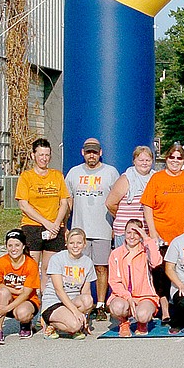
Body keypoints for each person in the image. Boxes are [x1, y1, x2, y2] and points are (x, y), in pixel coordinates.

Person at [141, 143, 184, 322]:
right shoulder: (157, 178)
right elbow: (147, 206)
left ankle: (182, 304)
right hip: (162, 235)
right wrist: (153, 233)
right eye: (172, 157)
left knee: (181, 272)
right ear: (166, 159)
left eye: (179, 158)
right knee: (161, 273)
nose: (175, 161)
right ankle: (165, 311)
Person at [65, 138, 120, 322]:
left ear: (100, 153)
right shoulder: (73, 173)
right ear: (83, 153)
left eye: (94, 152)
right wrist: (66, 226)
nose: (91, 155)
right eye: (88, 152)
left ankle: (101, 305)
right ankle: (83, 304)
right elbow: (68, 201)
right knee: (81, 269)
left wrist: (115, 225)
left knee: (101, 268)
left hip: (103, 229)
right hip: (80, 231)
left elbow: (117, 200)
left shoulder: (111, 173)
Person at [15, 137, 69, 293]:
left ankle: (45, 301)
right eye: (41, 155)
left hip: (54, 227)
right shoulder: (26, 177)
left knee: (49, 268)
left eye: (47, 155)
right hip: (33, 226)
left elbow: (64, 202)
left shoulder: (57, 176)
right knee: (31, 267)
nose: (44, 159)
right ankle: (30, 301)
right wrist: (46, 223)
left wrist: (56, 224)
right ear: (33, 155)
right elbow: (24, 205)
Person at [107, 219, 163, 337]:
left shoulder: (145, 250)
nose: (132, 236)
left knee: (143, 315)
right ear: (124, 233)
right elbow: (113, 281)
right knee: (117, 307)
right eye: (128, 233)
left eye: (136, 233)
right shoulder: (116, 254)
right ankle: (124, 322)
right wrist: (128, 297)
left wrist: (146, 238)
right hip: (122, 296)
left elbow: (157, 262)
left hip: (145, 296)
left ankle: (141, 323)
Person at [40, 228, 96, 340]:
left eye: (79, 243)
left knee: (88, 300)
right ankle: (51, 323)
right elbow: (59, 290)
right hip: (54, 301)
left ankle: (73, 323)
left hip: (72, 301)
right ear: (66, 243)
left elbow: (85, 292)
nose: (75, 246)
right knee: (75, 325)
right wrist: (75, 312)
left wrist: (85, 318)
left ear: (84, 244)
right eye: (72, 243)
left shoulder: (87, 262)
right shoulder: (57, 258)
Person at [0, 230, 41, 344]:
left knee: (22, 313)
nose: (14, 249)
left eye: (17, 245)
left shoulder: (31, 264)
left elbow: (26, 293)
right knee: (2, 291)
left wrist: (7, 309)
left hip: (27, 300)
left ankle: (26, 323)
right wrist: (14, 291)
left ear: (23, 246)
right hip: (7, 299)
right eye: (10, 245)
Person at [106, 145, 156, 247]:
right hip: (125, 231)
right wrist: (123, 216)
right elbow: (110, 203)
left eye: (148, 160)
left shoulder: (156, 178)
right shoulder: (126, 179)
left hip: (146, 232)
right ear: (134, 161)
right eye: (141, 160)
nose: (144, 163)